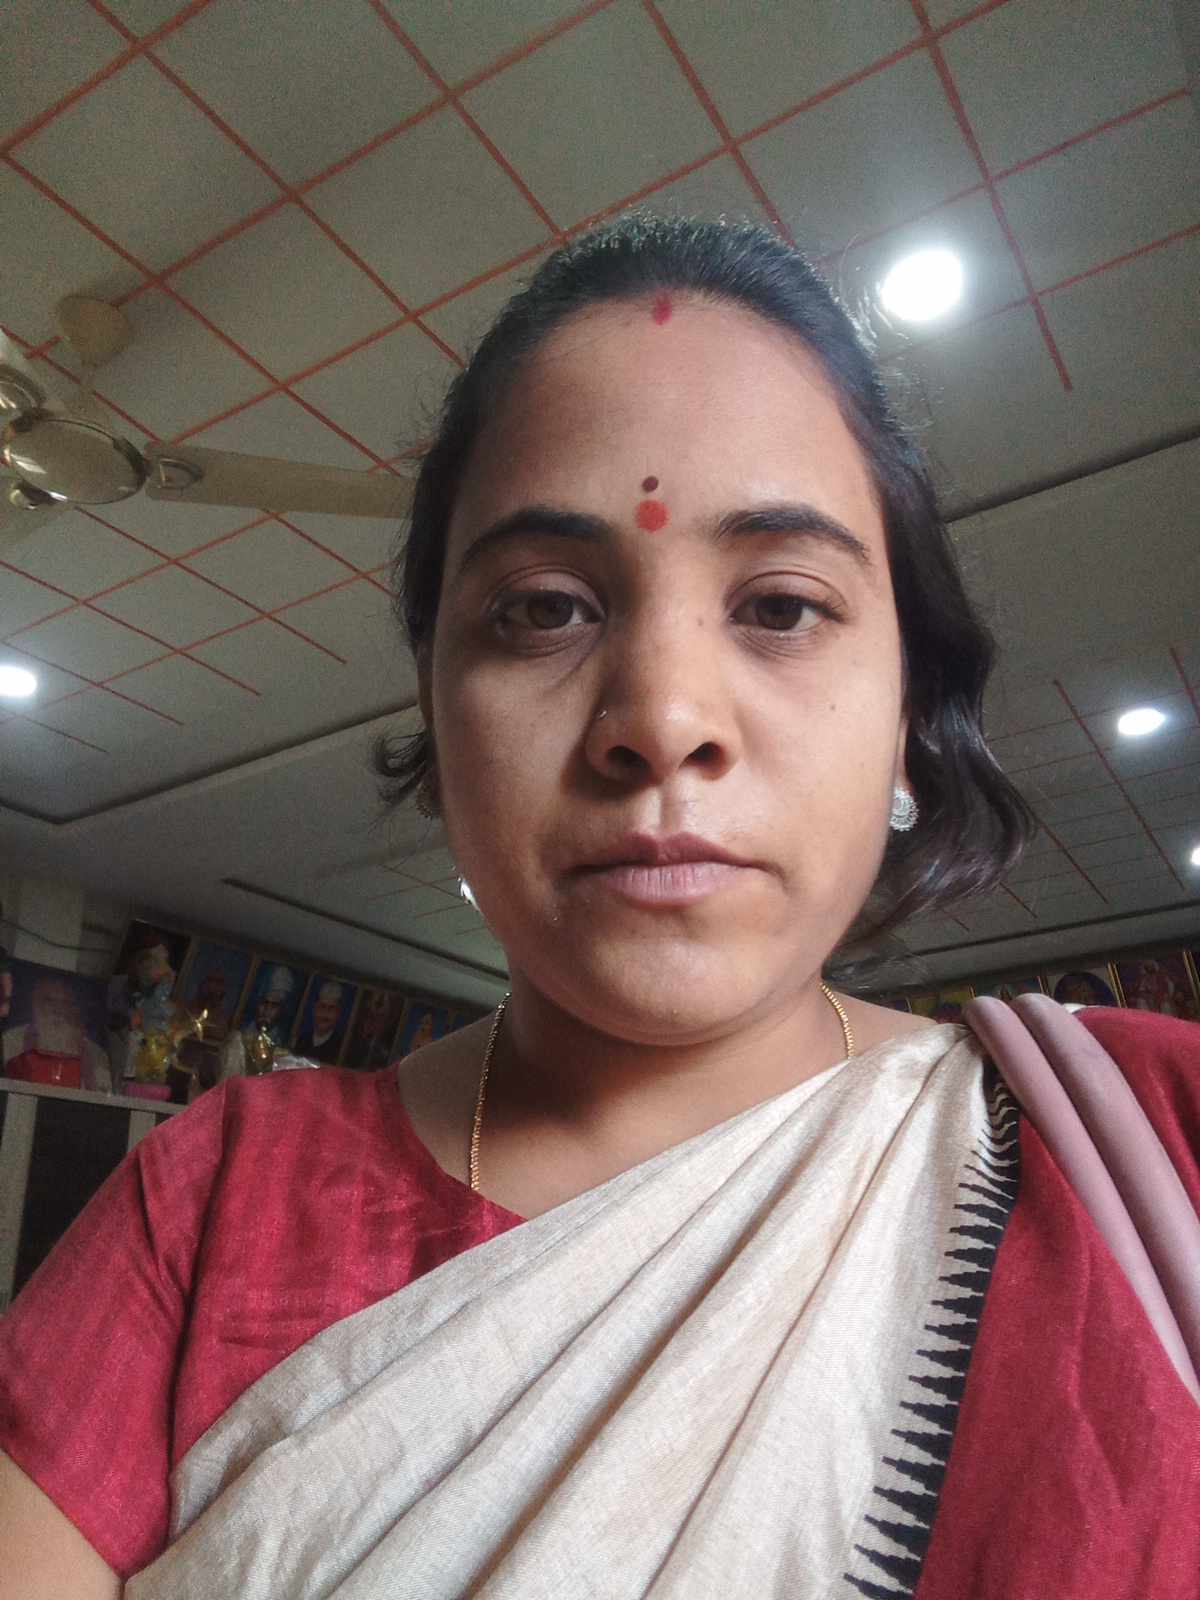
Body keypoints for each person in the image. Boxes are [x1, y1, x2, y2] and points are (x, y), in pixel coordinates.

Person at [1, 215, 1198, 1598]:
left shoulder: (1153, 1138)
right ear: (437, 709)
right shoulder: (213, 1203)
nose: (663, 718)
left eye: (783, 606)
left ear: (906, 718)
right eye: (545, 609)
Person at [2, 971, 111, 1092]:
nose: (57, 1009)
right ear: (34, 1003)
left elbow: (104, 1096)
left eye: (65, 1002)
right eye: (48, 1000)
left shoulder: (96, 1054)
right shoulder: (10, 1041)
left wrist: (88, 1070)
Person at [293, 978, 348, 1063]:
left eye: (331, 1008)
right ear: (314, 1009)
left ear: (338, 1013)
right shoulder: (301, 1041)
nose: (325, 1013)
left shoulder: (341, 1047)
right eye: (322, 1006)